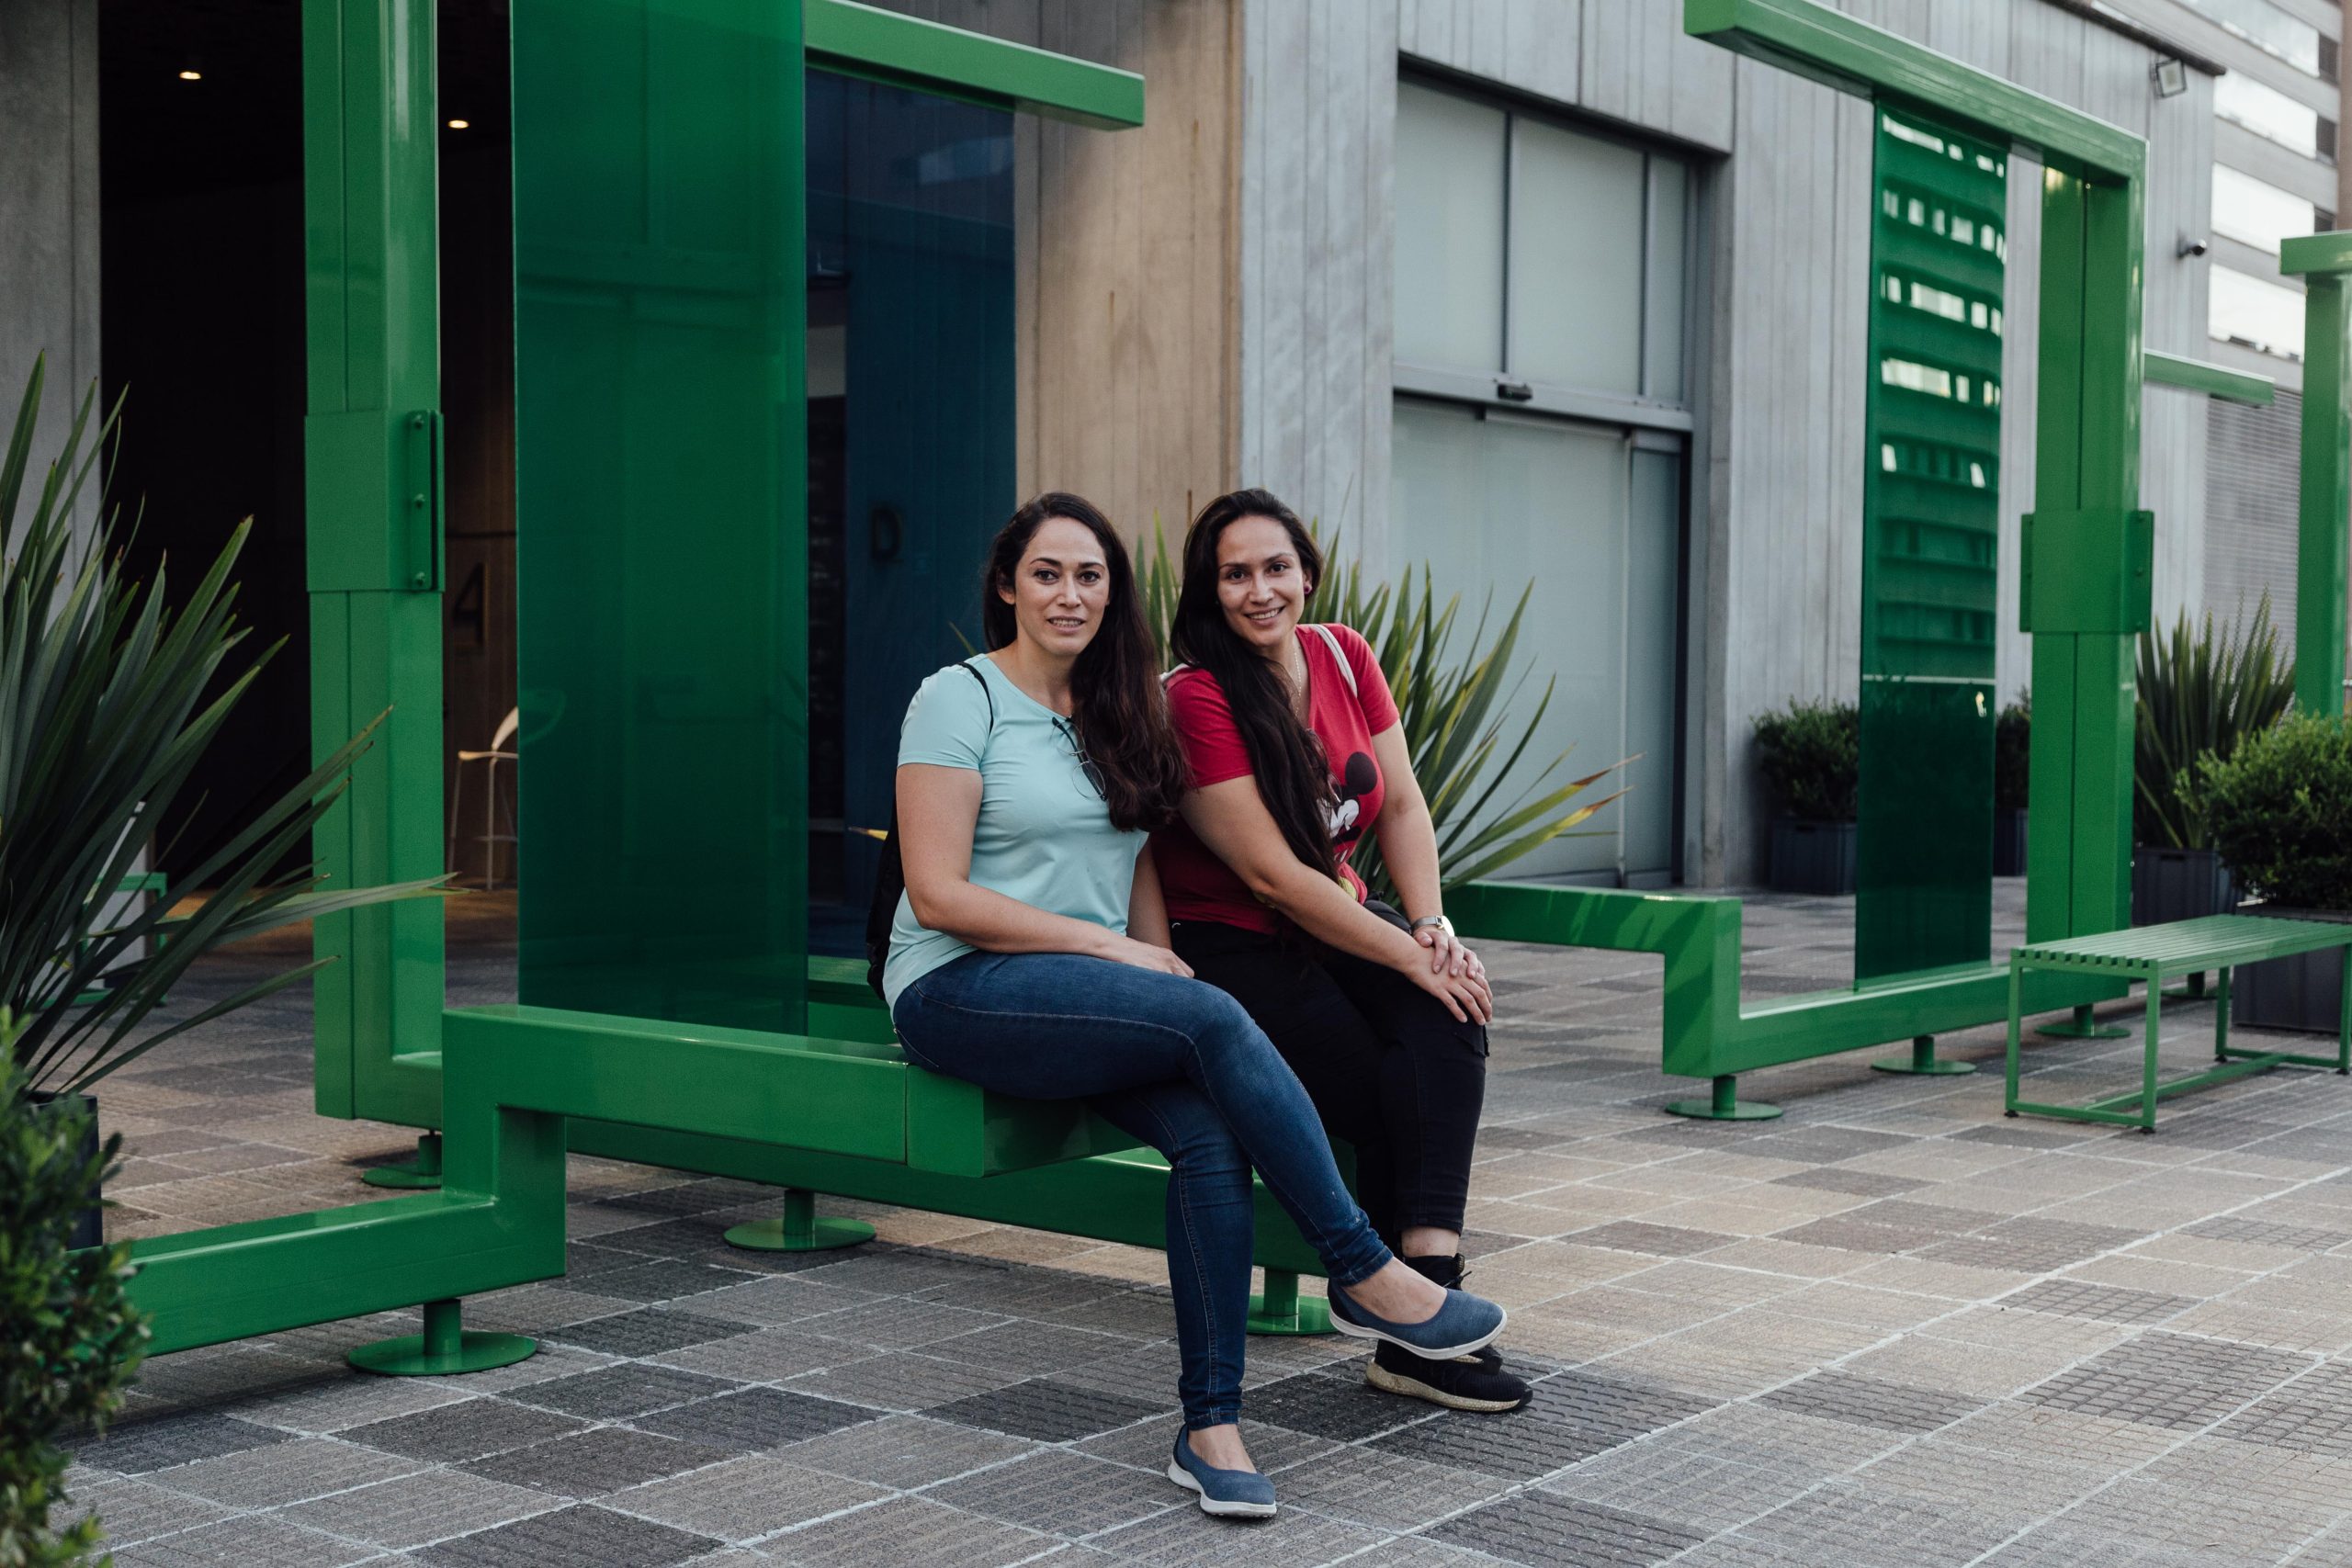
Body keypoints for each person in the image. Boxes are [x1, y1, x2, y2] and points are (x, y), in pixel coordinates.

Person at [885, 491, 1508, 1518]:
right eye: (1046, 573)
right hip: (959, 986)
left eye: (1090, 576)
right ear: (1006, 585)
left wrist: (1154, 960)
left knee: (1210, 1134)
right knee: (1216, 1015)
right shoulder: (958, 699)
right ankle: (1363, 1269)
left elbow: (1138, 859)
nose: (1069, 595)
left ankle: (1208, 1427)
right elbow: (938, 893)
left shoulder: (1123, 710)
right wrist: (1120, 955)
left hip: (1092, 989)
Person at [1151, 487, 1532, 1414]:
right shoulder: (1193, 696)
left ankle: (1421, 1295)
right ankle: (1410, 1323)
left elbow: (1399, 803)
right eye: (1233, 574)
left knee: (1451, 1015)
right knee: (1373, 1082)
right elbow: (1273, 878)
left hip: (1346, 920)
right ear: (1210, 591)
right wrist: (1403, 953)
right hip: (1232, 942)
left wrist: (1431, 930)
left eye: (1274, 567)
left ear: (1306, 572)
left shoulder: (1344, 652)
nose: (1258, 590)